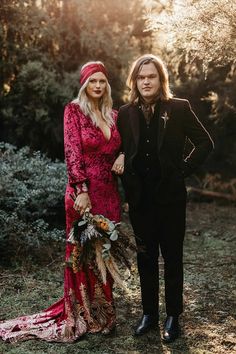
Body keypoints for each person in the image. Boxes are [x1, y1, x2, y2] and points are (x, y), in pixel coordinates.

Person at [0, 61, 124, 342]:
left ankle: (105, 313)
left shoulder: (114, 115)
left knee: (104, 254)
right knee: (81, 256)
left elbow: (127, 144)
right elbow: (72, 152)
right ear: (84, 84)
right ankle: (84, 314)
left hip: (109, 194)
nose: (98, 86)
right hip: (83, 194)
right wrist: (81, 189)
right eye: (93, 81)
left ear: (107, 85)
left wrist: (124, 155)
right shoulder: (74, 111)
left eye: (102, 81)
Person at [117, 54, 214, 342]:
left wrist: (181, 170)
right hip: (140, 201)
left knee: (172, 258)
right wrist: (121, 157)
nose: (146, 81)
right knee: (146, 258)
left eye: (152, 76)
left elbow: (204, 143)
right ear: (135, 81)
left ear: (161, 80)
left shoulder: (179, 108)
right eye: (141, 77)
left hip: (171, 199)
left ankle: (173, 315)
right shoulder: (124, 113)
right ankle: (149, 314)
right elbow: (120, 147)